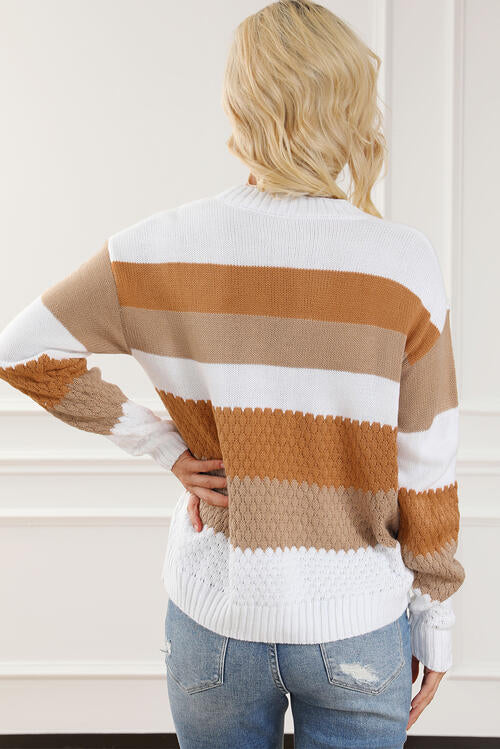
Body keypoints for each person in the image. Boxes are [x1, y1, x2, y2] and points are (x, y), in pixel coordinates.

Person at [0, 1, 466, 747]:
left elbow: (21, 348)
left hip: (214, 619)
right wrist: (436, 617)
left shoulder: (160, 246)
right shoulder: (403, 262)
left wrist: (166, 448)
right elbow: (427, 461)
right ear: (347, 105)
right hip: (354, 623)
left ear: (239, 105)